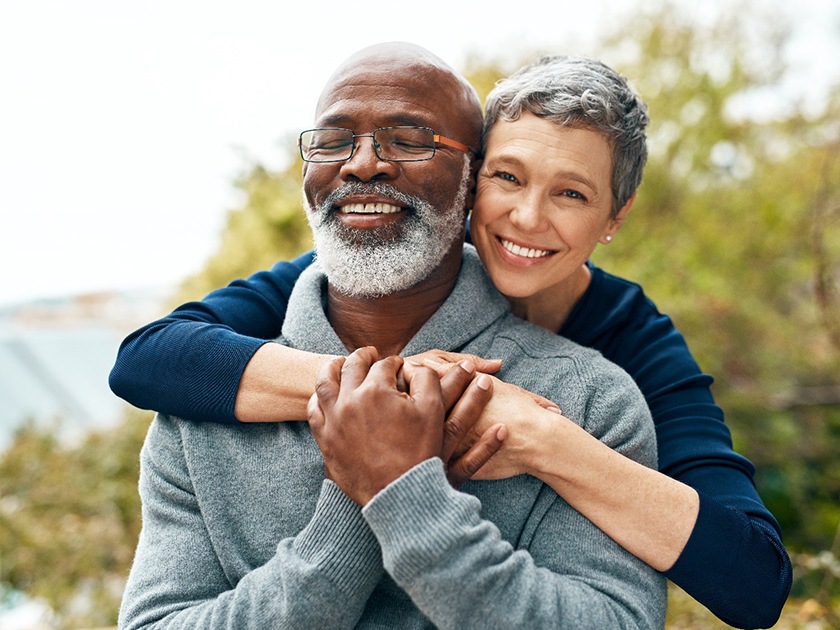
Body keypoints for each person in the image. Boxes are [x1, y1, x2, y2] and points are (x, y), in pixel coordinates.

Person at [111, 54, 791, 628]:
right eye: (510, 177)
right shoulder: (220, 385)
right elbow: (148, 356)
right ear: (477, 188)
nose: (526, 216)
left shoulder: (617, 373)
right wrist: (380, 406)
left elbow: (751, 581)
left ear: (616, 216)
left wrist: (544, 444)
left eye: (572, 195)